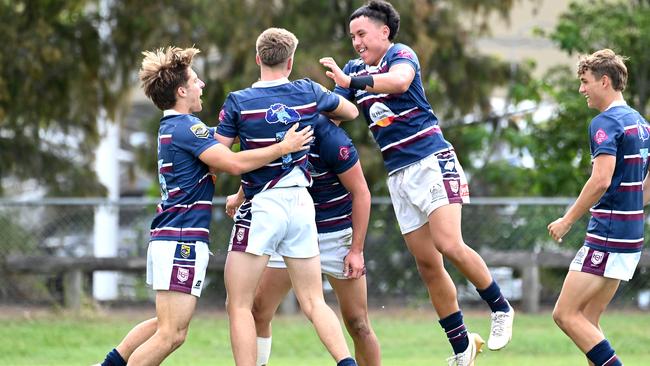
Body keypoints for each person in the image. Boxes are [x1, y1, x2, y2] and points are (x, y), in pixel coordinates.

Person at [319, 1, 515, 365]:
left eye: (362, 34)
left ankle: (500, 308)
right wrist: (315, 102)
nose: (356, 42)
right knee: (427, 264)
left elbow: (400, 82)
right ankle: (461, 347)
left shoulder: (400, 55)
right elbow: (342, 111)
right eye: (352, 37)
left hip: (432, 163)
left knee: (448, 243)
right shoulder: (352, 69)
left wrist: (352, 82)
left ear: (384, 32)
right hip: (399, 176)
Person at [96, 46, 314, 366]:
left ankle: (109, 363)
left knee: (165, 325)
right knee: (172, 334)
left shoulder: (173, 127)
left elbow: (225, 139)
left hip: (170, 237)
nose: (203, 86)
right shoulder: (189, 127)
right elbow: (233, 163)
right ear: (181, 91)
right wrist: (283, 146)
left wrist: (254, 126)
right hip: (181, 240)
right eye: (196, 81)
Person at [216, 28, 360, 366]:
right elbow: (350, 112)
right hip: (300, 204)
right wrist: (317, 114)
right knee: (314, 301)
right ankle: (346, 363)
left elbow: (220, 156)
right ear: (290, 62)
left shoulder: (238, 102)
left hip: (263, 206)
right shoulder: (308, 91)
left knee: (238, 305)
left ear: (257, 59)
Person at [225, 115, 381, 366]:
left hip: (333, 235)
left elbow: (361, 192)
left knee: (358, 324)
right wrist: (240, 195)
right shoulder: (281, 128)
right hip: (292, 230)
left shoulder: (331, 139)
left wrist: (356, 250)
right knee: (258, 310)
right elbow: (266, 166)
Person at [548, 49, 649, 366]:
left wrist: (567, 220)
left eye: (585, 81)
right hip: (631, 236)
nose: (582, 89)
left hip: (607, 236)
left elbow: (600, 180)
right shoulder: (640, 123)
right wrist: (632, 205)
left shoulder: (604, 123)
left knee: (564, 314)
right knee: (588, 319)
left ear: (604, 81)